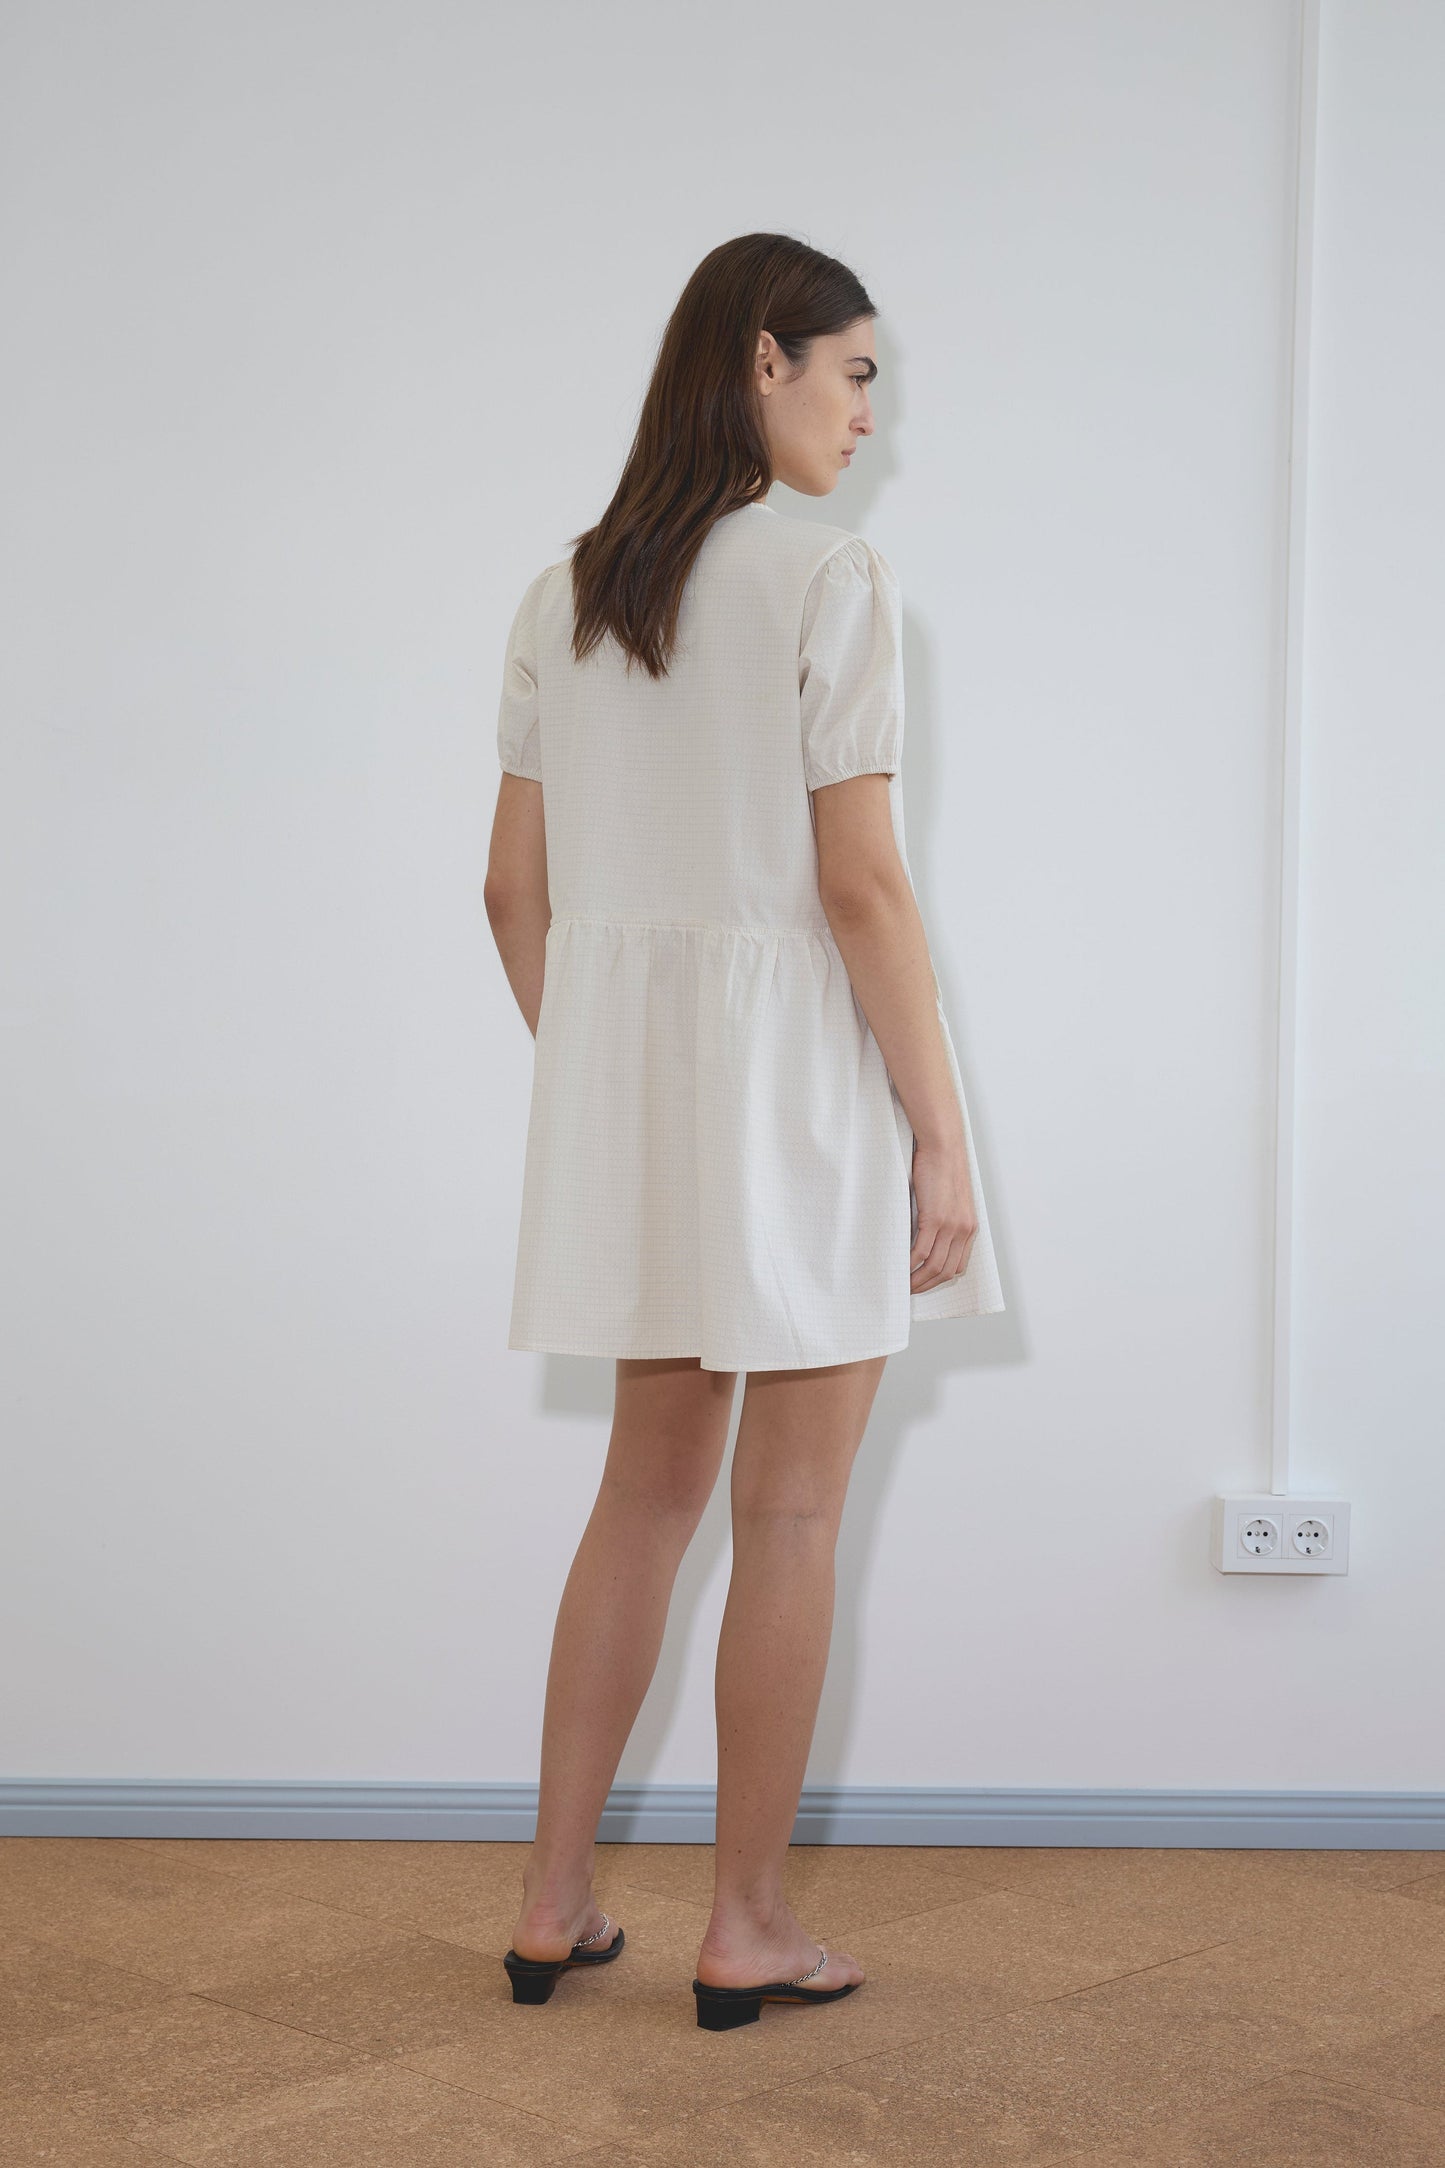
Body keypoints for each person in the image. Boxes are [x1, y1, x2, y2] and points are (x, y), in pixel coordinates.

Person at [485, 232, 1005, 2029]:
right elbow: (860, 888)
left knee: (639, 1502)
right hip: (797, 1100)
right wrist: (938, 1136)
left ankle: (551, 1905)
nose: (868, 418)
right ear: (766, 360)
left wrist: (606, 1079)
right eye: (855, 375)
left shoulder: (563, 592)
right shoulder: (826, 576)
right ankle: (747, 1926)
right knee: (786, 1517)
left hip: (636, 1105)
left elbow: (509, 892)